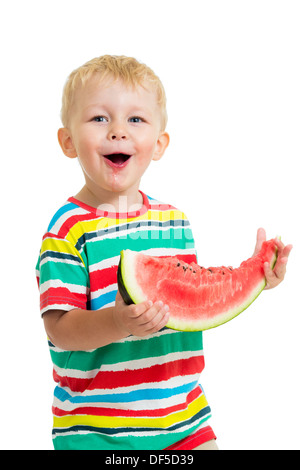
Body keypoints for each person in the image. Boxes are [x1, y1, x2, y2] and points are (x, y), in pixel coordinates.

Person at [36, 55, 292, 450]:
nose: (118, 132)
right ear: (68, 141)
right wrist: (118, 323)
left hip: (185, 422)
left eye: (135, 120)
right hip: (98, 431)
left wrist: (256, 276)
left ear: (159, 144)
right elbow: (61, 330)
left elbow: (195, 294)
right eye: (99, 119)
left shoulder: (174, 222)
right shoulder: (66, 229)